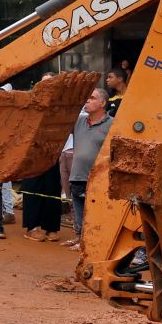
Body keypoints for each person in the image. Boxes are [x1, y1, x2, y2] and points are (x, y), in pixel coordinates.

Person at [64, 88, 111, 251]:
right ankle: (79, 237)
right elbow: (63, 117)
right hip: (77, 175)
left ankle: (89, 242)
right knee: (78, 211)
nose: (87, 100)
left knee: (92, 213)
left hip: (96, 179)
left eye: (92, 98)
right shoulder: (79, 121)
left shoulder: (112, 124)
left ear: (102, 103)